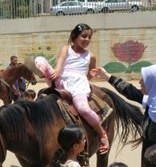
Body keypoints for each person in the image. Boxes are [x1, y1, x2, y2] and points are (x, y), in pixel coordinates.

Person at [91, 64, 156, 164]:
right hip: (149, 162)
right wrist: (107, 76)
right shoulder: (153, 101)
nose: (140, 82)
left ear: (154, 83)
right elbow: (131, 91)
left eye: (144, 79)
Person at [32, 23, 109, 154]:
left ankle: (102, 134)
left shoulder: (91, 56)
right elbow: (60, 63)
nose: (87, 40)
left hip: (78, 85)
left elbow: (89, 73)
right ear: (75, 36)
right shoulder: (66, 49)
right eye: (83, 36)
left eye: (89, 37)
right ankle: (43, 74)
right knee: (39, 59)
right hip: (61, 78)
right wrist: (56, 71)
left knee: (83, 109)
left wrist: (91, 76)